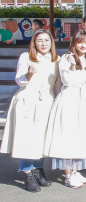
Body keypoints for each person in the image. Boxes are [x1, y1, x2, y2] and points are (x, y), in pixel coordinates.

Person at [0, 29, 59, 192]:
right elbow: (19, 80)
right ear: (34, 42)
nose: (43, 44)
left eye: (47, 40)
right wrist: (29, 74)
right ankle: (27, 172)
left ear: (51, 42)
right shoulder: (25, 57)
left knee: (42, 138)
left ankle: (38, 170)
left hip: (46, 101)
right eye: (39, 41)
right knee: (26, 138)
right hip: (28, 100)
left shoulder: (56, 60)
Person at [44, 30, 86, 188]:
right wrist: (72, 67)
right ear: (73, 43)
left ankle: (74, 170)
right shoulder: (66, 59)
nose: (83, 45)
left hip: (83, 102)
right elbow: (66, 80)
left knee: (79, 137)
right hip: (68, 101)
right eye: (80, 42)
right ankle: (68, 175)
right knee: (67, 137)